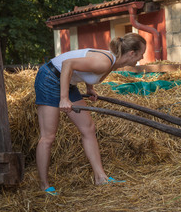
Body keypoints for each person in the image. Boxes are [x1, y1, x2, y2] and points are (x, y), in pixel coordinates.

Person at [34, 33, 146, 195]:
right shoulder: (104, 62)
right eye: (141, 53)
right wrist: (64, 98)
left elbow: (82, 66)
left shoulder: (111, 62)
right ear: (131, 53)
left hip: (67, 80)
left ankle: (100, 177)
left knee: (88, 128)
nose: (141, 57)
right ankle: (44, 187)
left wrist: (89, 88)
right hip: (50, 78)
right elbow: (68, 63)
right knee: (48, 136)